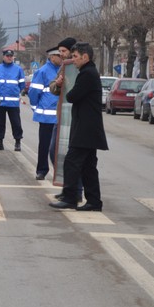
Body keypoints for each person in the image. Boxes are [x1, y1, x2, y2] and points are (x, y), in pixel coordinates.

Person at [49, 42, 109, 211]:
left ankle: (70, 197)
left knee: (71, 162)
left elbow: (72, 96)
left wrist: (67, 85)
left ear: (85, 57)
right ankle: (94, 201)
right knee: (88, 167)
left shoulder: (87, 74)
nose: (72, 60)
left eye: (75, 56)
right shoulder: (88, 72)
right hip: (89, 128)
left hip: (85, 128)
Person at [27, 46, 62, 180]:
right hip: (46, 117)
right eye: (58, 55)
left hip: (60, 116)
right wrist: (36, 108)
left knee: (59, 147)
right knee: (44, 145)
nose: (61, 58)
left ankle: (59, 173)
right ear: (52, 57)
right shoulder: (42, 72)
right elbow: (34, 92)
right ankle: (42, 170)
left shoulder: (64, 70)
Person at [0, 48, 24, 151]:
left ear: (13, 57)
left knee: (16, 123)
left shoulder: (18, 69)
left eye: (11, 56)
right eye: (7, 56)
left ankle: (18, 142)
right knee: (0, 123)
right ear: (3, 57)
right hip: (0, 102)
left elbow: (21, 84)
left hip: (13, 102)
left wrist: (14, 91)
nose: (9, 58)